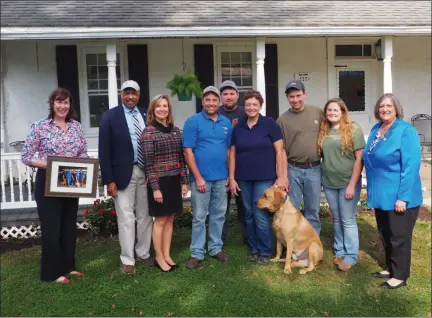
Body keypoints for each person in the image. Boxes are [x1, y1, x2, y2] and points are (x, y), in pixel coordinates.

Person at [21, 88, 88, 283]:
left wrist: (87, 165)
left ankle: (68, 266)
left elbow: (82, 152)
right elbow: (27, 156)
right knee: (51, 228)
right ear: (52, 104)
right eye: (59, 102)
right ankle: (51, 273)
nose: (62, 106)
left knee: (68, 226)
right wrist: (52, 164)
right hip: (47, 181)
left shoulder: (76, 127)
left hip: (71, 181)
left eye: (66, 102)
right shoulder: (40, 127)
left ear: (70, 105)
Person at [363, 93, 422, 289]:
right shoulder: (376, 128)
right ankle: (391, 268)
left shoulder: (405, 130)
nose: (385, 109)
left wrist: (403, 198)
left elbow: (411, 166)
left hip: (400, 196)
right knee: (385, 233)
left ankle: (400, 276)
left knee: (398, 237)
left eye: (389, 106)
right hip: (381, 195)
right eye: (381, 106)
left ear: (396, 108)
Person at [98, 80, 154, 275]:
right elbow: (103, 151)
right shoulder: (110, 116)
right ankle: (127, 259)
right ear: (121, 94)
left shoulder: (147, 114)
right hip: (122, 174)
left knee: (145, 216)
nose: (130, 97)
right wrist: (108, 180)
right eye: (126, 93)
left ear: (139, 95)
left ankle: (143, 253)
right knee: (125, 217)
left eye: (134, 93)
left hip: (146, 172)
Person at [228, 90, 286, 264]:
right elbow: (232, 154)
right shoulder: (238, 126)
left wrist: (281, 177)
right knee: (249, 214)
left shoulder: (270, 125)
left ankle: (266, 250)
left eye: (255, 104)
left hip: (264, 177)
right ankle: (254, 249)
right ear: (244, 107)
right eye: (248, 105)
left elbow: (280, 151)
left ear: (260, 106)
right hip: (243, 178)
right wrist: (231, 178)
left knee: (260, 213)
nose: (251, 108)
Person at [183, 86, 232, 269]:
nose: (211, 103)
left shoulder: (226, 123)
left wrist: (228, 174)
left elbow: (228, 150)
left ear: (219, 102)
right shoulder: (193, 121)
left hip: (221, 177)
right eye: (207, 100)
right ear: (202, 102)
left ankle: (215, 248)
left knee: (219, 215)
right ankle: (197, 252)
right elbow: (188, 151)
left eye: (214, 100)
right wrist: (198, 177)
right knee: (199, 216)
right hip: (201, 178)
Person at [140, 94, 189, 272]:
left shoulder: (176, 130)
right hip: (159, 182)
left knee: (170, 218)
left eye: (165, 106)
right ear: (153, 110)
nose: (162, 109)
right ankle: (159, 256)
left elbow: (181, 158)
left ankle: (167, 254)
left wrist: (184, 181)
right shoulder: (148, 132)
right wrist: (155, 189)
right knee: (160, 219)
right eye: (158, 106)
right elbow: (148, 163)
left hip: (174, 179)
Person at [317, 98, 365, 272]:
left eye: (335, 110)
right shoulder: (324, 130)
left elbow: (359, 159)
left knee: (348, 219)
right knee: (336, 218)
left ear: (343, 111)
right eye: (329, 110)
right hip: (329, 182)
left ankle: (351, 255)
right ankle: (340, 250)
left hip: (347, 182)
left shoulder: (354, 129)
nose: (332, 113)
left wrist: (352, 184)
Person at [276, 80, 323, 235]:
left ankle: (313, 241)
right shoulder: (282, 120)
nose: (295, 100)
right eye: (291, 97)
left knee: (313, 208)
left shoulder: (317, 113)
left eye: (298, 95)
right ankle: (295, 241)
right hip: (293, 168)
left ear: (304, 94)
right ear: (287, 98)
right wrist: (282, 176)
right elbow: (280, 150)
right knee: (293, 208)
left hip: (314, 168)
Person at [218, 80, 248, 245]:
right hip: (221, 166)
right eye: (225, 94)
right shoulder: (215, 112)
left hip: (242, 164)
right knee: (221, 206)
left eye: (231, 93)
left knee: (244, 205)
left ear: (237, 95)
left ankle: (248, 237)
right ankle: (220, 239)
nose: (228, 97)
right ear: (221, 97)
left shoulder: (246, 112)